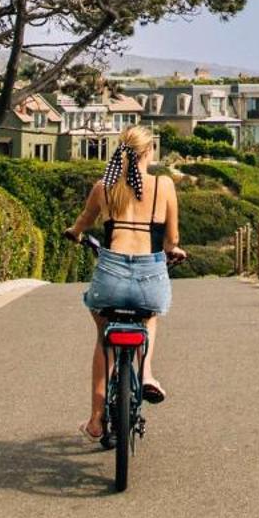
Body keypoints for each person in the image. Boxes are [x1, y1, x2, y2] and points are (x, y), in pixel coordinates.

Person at [64, 125, 185, 442]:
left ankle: (94, 420)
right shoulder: (164, 186)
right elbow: (171, 240)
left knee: (104, 336)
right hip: (150, 275)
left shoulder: (103, 188)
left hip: (111, 276)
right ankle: (145, 372)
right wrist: (173, 250)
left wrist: (75, 234)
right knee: (150, 315)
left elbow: (80, 225)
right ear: (149, 152)